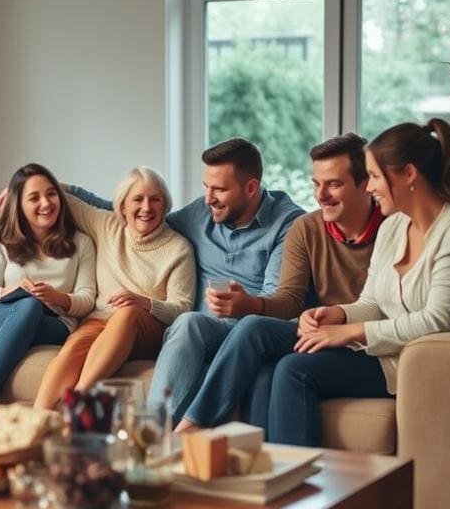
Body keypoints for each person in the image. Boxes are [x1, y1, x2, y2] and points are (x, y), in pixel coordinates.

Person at [267, 118, 450, 447]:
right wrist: (337, 314)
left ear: (408, 174)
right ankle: (287, 480)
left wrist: (350, 332)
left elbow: (439, 319)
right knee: (286, 362)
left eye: (376, 177)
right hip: (393, 354)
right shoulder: (393, 227)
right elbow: (373, 302)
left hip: (433, 361)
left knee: (295, 370)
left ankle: (296, 487)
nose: (369, 187)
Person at [71, 137, 303, 417]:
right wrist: (57, 189)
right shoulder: (203, 212)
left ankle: (153, 427)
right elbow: (140, 212)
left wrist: (248, 304)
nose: (208, 199)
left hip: (248, 333)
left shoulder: (287, 224)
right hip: (196, 335)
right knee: (188, 323)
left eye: (219, 189)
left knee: (189, 321)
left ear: (251, 188)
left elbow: (281, 301)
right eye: (206, 187)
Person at [175, 132, 382, 432]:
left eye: (333, 184)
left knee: (267, 351)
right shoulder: (306, 228)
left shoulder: (394, 229)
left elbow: (387, 305)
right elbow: (289, 300)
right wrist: (252, 304)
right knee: (260, 359)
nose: (320, 195)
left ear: (366, 184)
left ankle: (192, 427)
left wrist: (340, 322)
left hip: (365, 341)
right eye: (316, 184)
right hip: (314, 334)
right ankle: (259, 464)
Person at [33, 166, 195, 409]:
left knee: (127, 312)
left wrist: (145, 302)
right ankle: (39, 418)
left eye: (155, 199)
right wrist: (19, 189)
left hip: (145, 327)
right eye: (137, 199)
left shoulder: (178, 248)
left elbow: (182, 308)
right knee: (75, 346)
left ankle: (79, 401)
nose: (146, 207)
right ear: (122, 206)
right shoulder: (106, 225)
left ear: (165, 205)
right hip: (98, 320)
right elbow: (63, 199)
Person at [0, 163, 96, 404]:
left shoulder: (82, 244)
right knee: (28, 304)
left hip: (55, 324)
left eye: (51, 194)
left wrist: (56, 297)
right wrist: (12, 291)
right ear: (20, 205)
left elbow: (87, 300)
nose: (46, 204)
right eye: (34, 198)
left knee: (31, 306)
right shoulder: (2, 239)